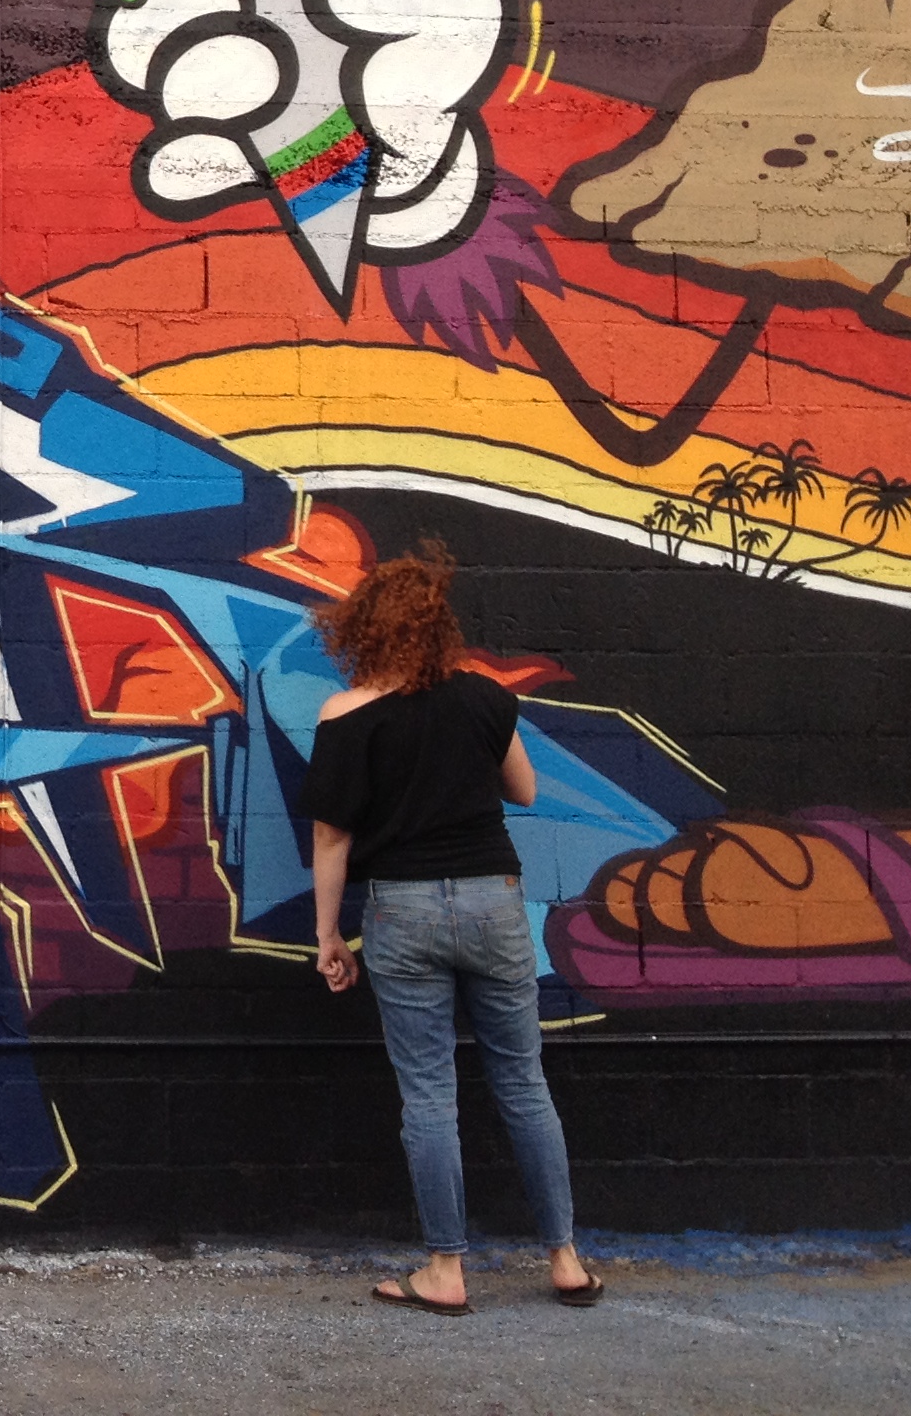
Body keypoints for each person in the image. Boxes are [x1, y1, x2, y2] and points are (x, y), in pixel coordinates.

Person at [304, 538, 602, 1314]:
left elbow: (331, 837)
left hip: (402, 910)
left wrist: (329, 935)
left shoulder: (344, 715)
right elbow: (525, 791)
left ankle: (445, 1270)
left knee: (430, 1095)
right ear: (439, 626)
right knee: (523, 1082)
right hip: (492, 899)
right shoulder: (484, 699)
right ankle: (566, 1260)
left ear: (363, 630)